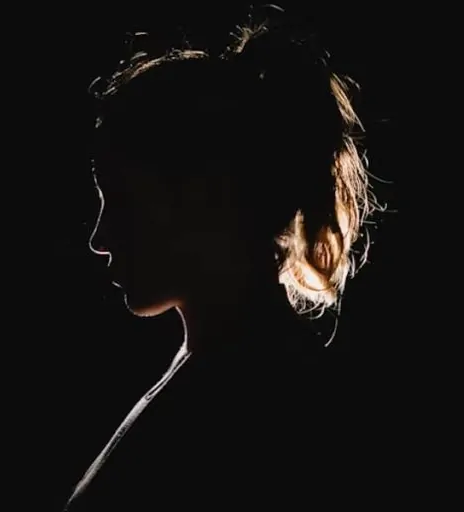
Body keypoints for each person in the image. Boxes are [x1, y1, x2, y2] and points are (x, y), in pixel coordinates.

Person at [65, 11, 379, 511]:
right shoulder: (228, 371)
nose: (99, 239)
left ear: (206, 198)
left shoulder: (258, 401)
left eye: (123, 202)